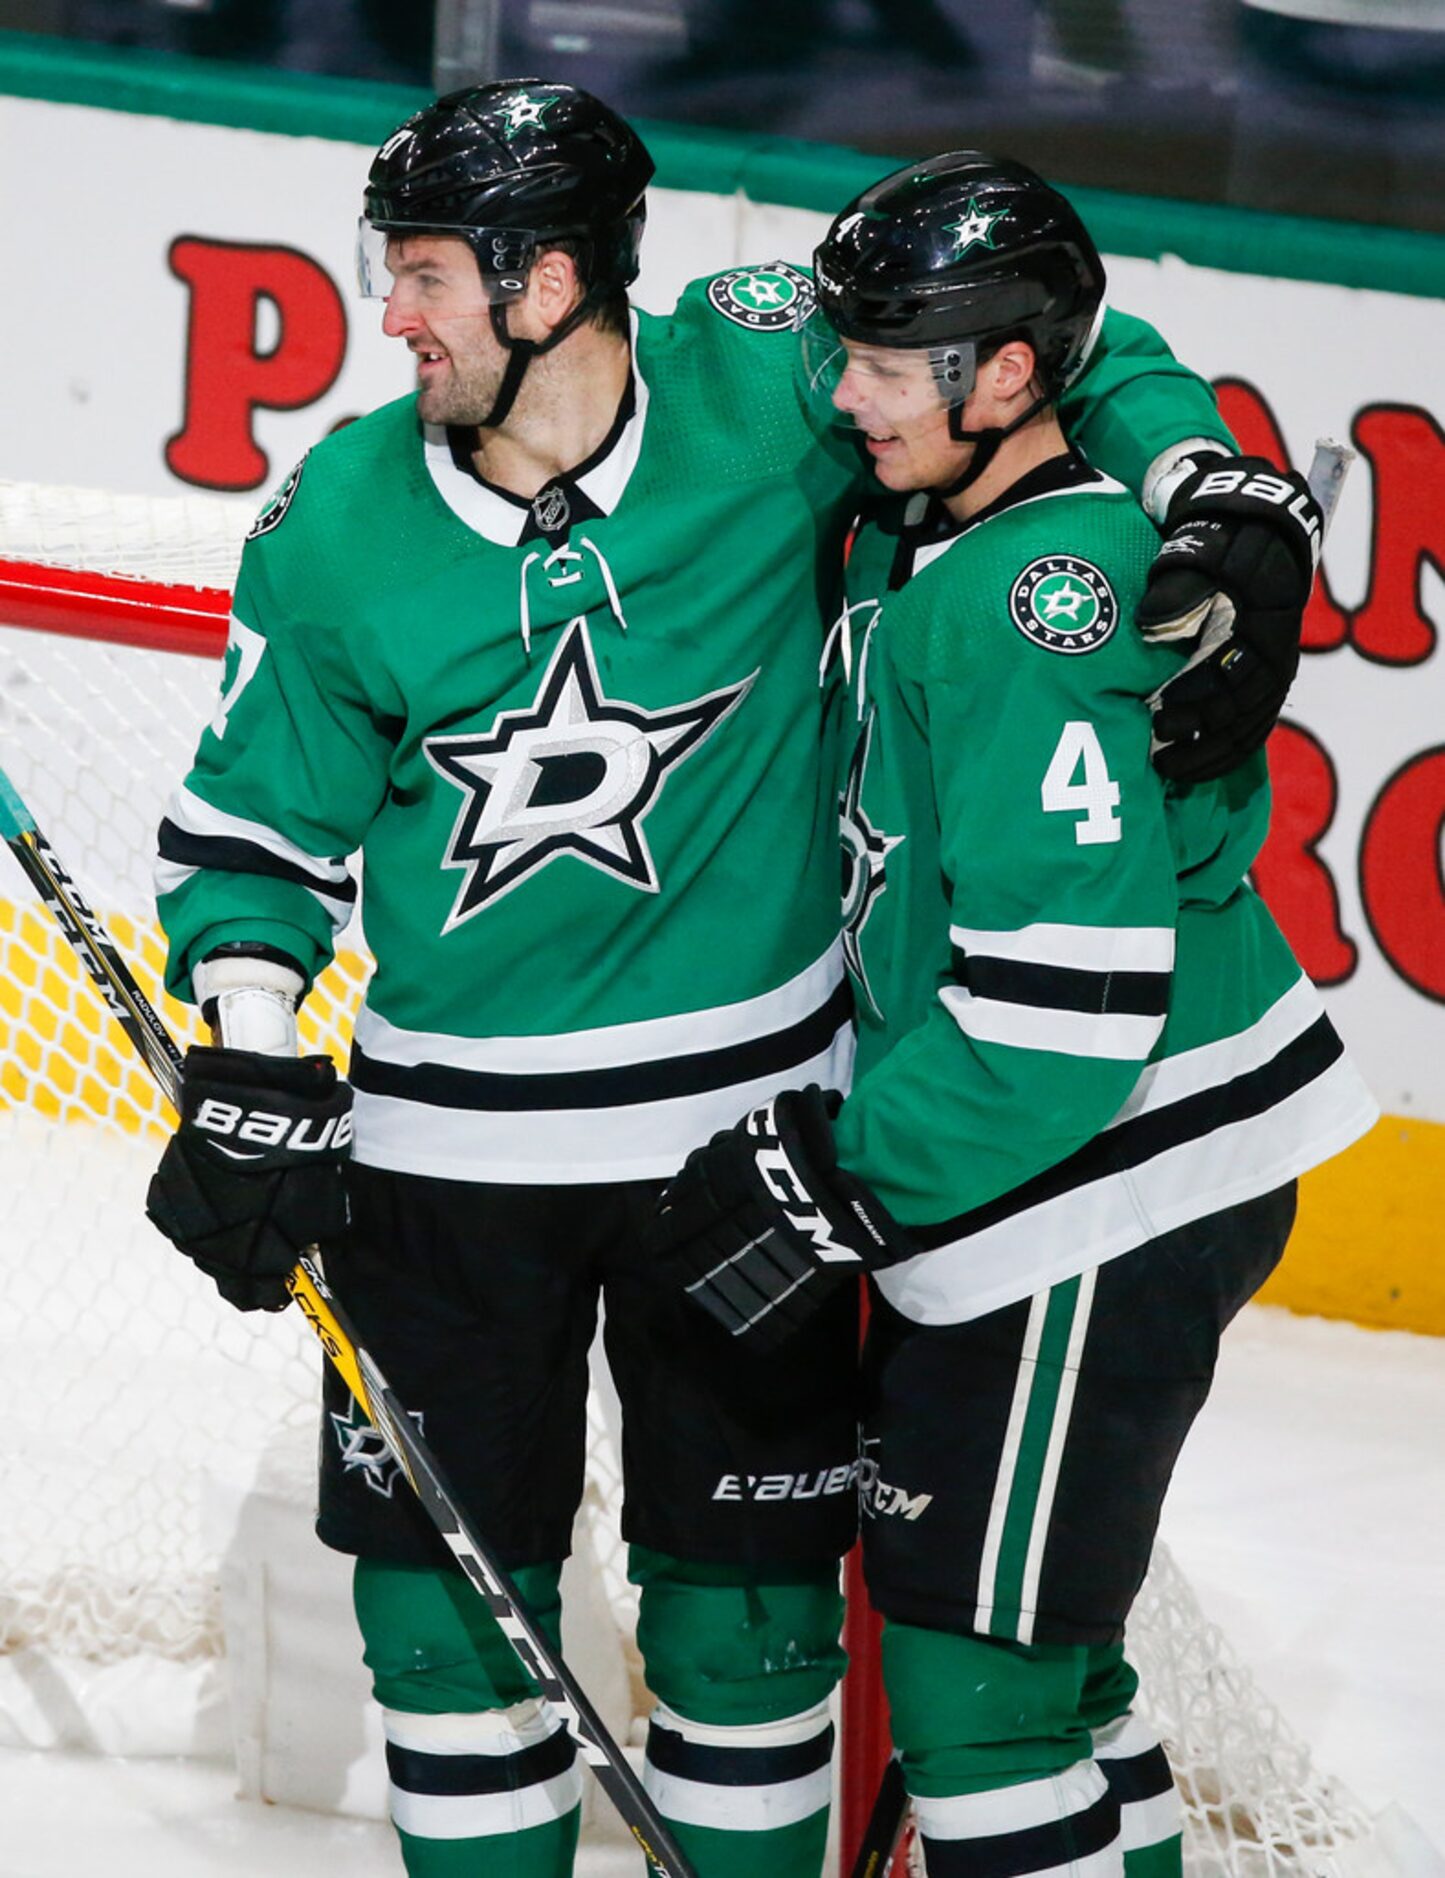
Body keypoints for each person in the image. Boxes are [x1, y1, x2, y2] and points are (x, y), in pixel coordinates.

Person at [143, 81, 1322, 1878]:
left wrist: (1198, 477)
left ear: (551, 281)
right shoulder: (335, 522)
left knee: (749, 1642)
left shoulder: (778, 374)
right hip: (449, 1172)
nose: (393, 314)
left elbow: (1069, 332)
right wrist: (245, 1043)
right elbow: (251, 835)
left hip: (747, 1145)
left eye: (432, 275)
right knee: (444, 1649)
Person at [649, 152, 1379, 1878]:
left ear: (1006, 375)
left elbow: (1065, 1016)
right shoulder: (938, 516)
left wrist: (829, 1170)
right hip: (1060, 1167)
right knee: (1053, 1672)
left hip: (1096, 1177)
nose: (845, 395)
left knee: (977, 1701)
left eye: (893, 367)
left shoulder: (1036, 606)